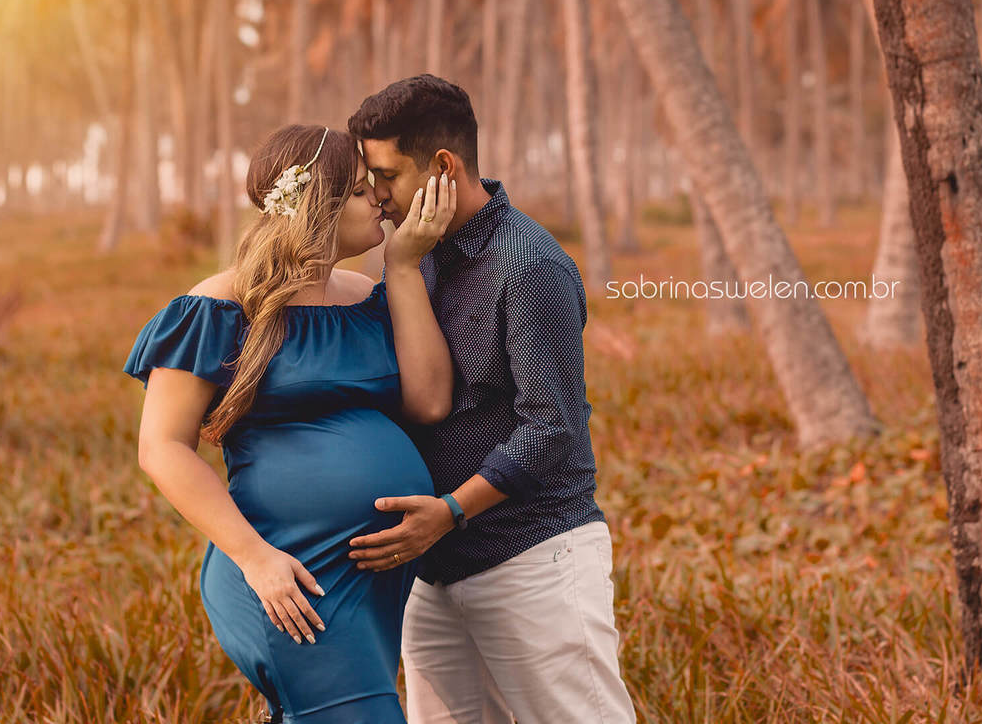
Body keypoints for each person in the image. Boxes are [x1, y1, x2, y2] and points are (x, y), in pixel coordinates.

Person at [121, 123, 456, 723]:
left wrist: (403, 269)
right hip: (286, 572)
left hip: (369, 578)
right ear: (312, 206)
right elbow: (162, 448)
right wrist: (256, 558)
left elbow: (429, 402)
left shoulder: (368, 296)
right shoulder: (221, 306)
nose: (380, 199)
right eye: (359, 190)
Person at [347, 74, 637, 723]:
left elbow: (550, 427)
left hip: (532, 560)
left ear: (444, 166)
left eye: (387, 175)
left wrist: (449, 510)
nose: (377, 195)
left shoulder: (530, 265)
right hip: (434, 572)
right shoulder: (413, 257)